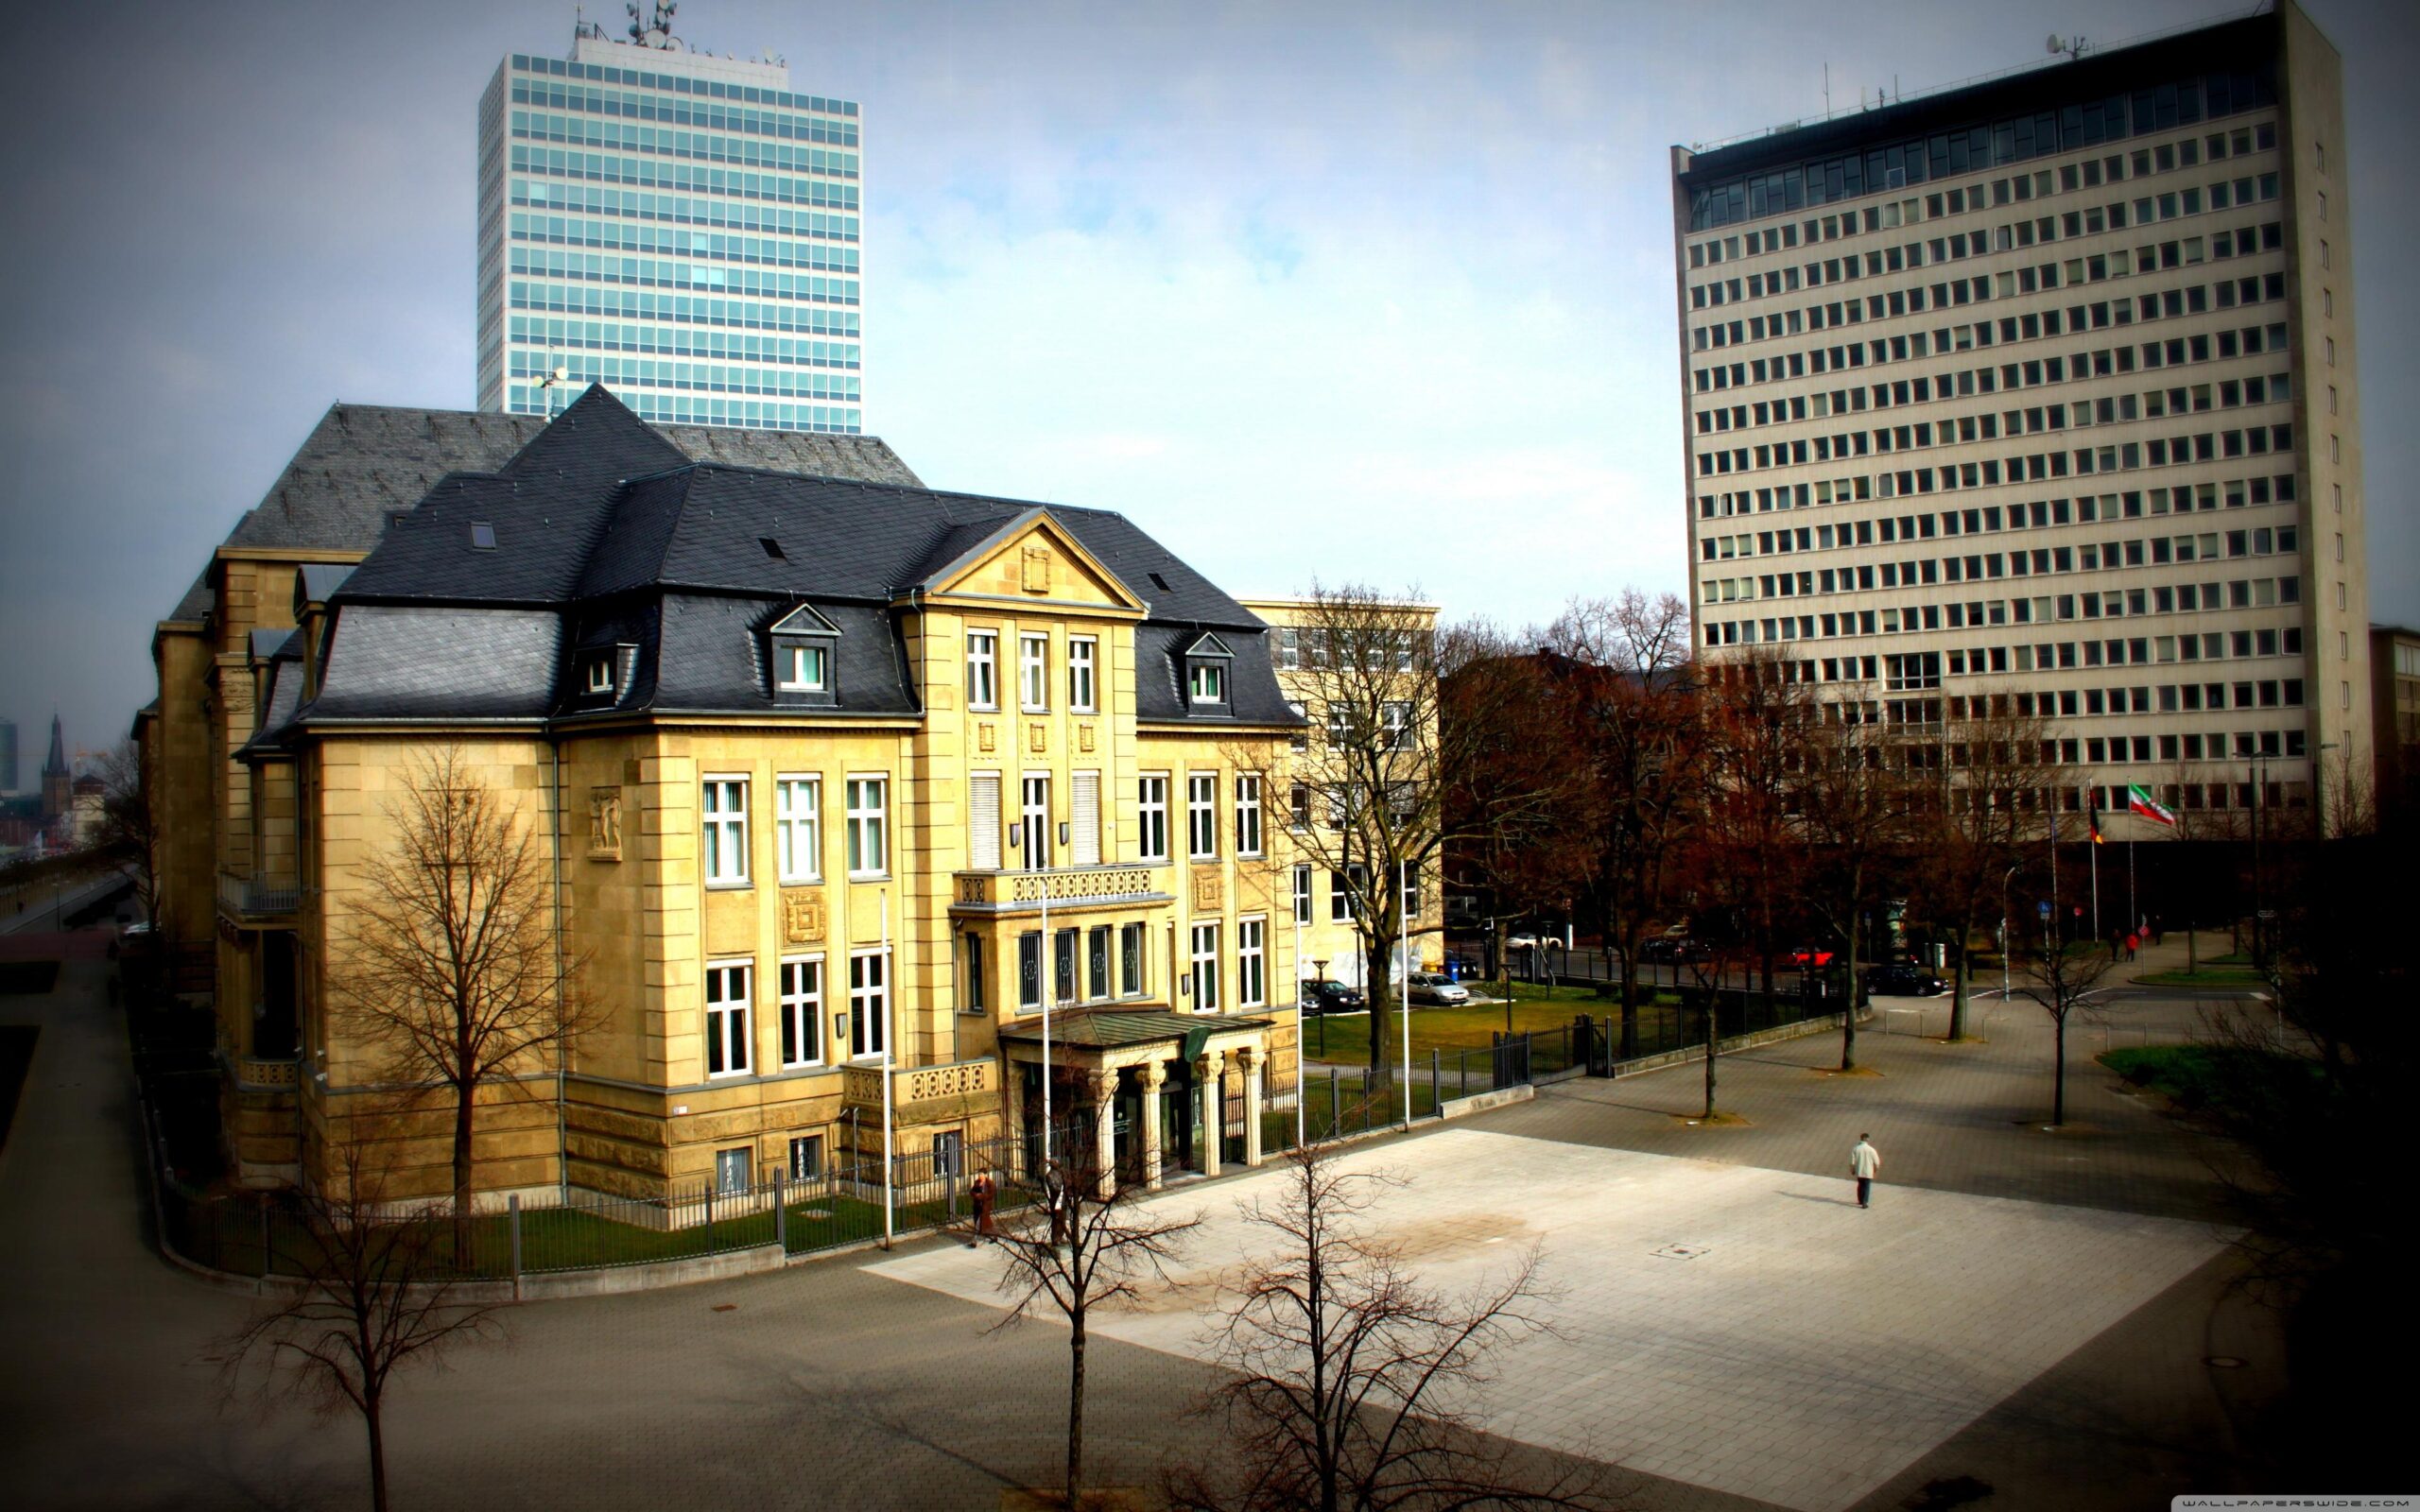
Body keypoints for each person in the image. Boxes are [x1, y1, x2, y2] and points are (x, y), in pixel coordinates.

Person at [1851, 1133, 1881, 1209]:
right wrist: (1875, 1170)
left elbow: (1852, 1162)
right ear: (1867, 1139)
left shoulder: (1856, 1148)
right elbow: (1877, 1162)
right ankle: (1865, 1202)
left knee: (1860, 1185)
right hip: (1868, 1172)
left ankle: (1860, 1200)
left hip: (1859, 1171)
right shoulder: (1871, 1149)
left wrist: (1853, 1170)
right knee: (1866, 1187)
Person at [969, 1172, 995, 1245]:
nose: (980, 1176)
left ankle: (974, 1241)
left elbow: (991, 1195)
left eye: (981, 1174)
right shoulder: (977, 1183)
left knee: (978, 1222)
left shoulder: (990, 1184)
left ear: (985, 1175)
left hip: (985, 1206)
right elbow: (971, 1191)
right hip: (977, 1206)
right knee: (987, 1223)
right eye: (979, 1174)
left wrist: (981, 1196)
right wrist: (976, 1195)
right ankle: (994, 1236)